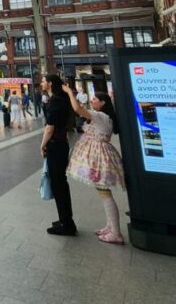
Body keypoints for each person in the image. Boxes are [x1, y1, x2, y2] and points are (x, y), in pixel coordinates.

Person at [63, 85, 126, 244]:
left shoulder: (100, 116)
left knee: (105, 194)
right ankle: (110, 226)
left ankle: (116, 233)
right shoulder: (105, 116)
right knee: (103, 192)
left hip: (99, 158)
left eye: (94, 99)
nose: (92, 101)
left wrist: (69, 92)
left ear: (103, 102)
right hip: (100, 156)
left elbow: (77, 109)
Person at [40, 73, 76, 236]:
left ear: (50, 83)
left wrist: (42, 144)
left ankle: (66, 223)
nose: (41, 83)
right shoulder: (60, 99)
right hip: (61, 143)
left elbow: (50, 128)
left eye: (43, 81)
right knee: (60, 183)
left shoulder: (55, 101)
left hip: (55, 144)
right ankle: (65, 219)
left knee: (58, 184)